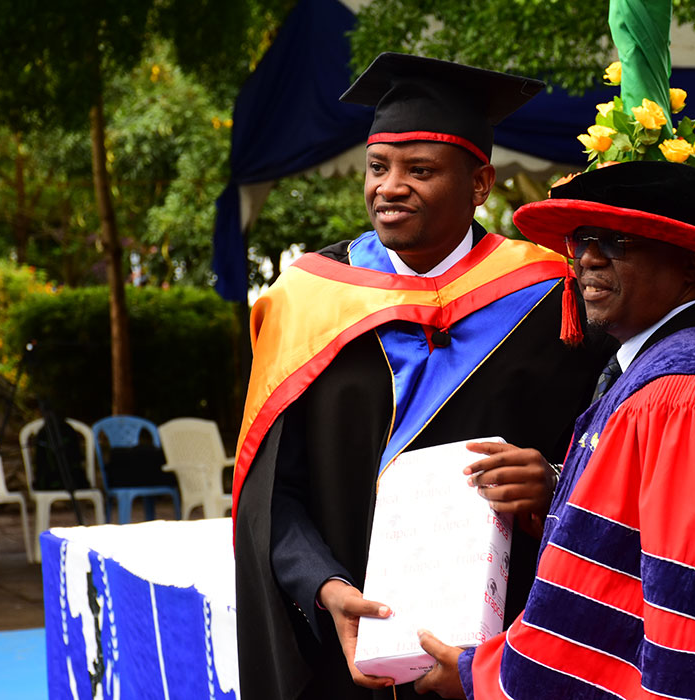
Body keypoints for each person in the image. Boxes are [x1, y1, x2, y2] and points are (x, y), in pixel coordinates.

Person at [230, 53, 611, 699]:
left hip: (499, 654)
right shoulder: (308, 300)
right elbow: (271, 496)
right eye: (378, 167)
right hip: (350, 650)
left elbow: (605, 461)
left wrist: (552, 481)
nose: (390, 187)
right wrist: (324, 587)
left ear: (480, 183)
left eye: (421, 170)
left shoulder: (552, 301)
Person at [412, 160, 695, 699]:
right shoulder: (672, 374)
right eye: (581, 240)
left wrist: (482, 677)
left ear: (693, 262)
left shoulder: (686, 403)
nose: (586, 258)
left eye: (615, 241)